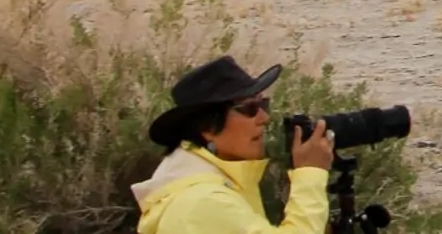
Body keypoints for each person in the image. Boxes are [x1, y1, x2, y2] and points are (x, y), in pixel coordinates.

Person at [134, 56, 333, 234]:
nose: (264, 118)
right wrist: (310, 175)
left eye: (263, 104)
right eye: (250, 108)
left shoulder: (205, 180)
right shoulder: (205, 203)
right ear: (208, 126)